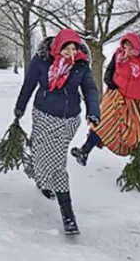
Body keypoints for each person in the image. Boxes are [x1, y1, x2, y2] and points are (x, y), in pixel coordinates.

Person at [14, 29, 100, 235]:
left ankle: (68, 215)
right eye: (66, 48)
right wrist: (20, 107)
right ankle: (42, 179)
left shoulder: (80, 65)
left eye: (74, 49)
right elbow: (29, 84)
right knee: (42, 153)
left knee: (56, 162)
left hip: (68, 119)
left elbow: (90, 89)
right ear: (58, 47)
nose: (70, 53)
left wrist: (93, 112)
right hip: (43, 114)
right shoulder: (42, 60)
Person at [71, 33, 140, 183]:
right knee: (103, 121)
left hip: (138, 101)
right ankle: (85, 151)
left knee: (139, 134)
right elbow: (110, 70)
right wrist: (108, 80)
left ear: (138, 46)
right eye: (125, 46)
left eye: (130, 47)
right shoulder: (119, 54)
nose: (127, 50)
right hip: (116, 96)